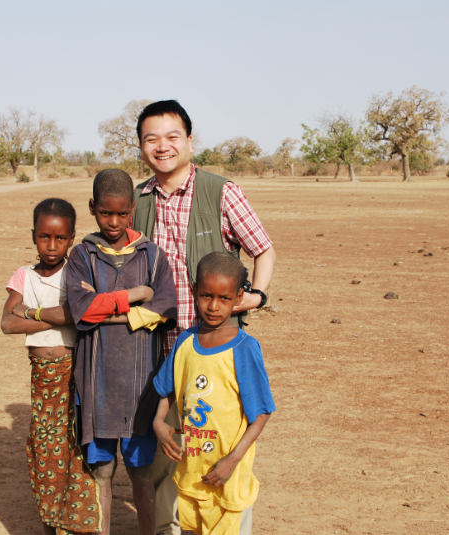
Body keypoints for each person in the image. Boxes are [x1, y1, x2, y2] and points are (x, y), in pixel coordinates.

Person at [132, 100, 276, 535]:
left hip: (212, 348)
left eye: (172, 136)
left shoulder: (221, 192)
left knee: (216, 442)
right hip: (159, 347)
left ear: (190, 141)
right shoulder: (137, 201)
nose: (163, 146)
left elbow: (262, 249)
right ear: (141, 147)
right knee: (166, 454)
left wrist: (257, 295)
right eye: (151, 139)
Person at [66, 169, 178, 535]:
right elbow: (81, 310)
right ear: (92, 209)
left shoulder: (152, 255)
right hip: (96, 385)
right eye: (104, 213)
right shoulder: (81, 255)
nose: (113, 222)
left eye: (121, 213)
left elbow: (166, 307)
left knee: (141, 472)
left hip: (140, 387)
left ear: (132, 209)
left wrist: (112, 313)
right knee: (102, 472)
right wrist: (136, 299)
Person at [152, 252, 276, 535]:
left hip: (229, 476)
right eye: (206, 295)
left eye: (224, 298)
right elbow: (167, 388)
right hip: (192, 471)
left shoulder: (244, 348)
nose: (213, 306)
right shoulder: (185, 341)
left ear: (239, 298)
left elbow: (261, 414)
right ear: (194, 290)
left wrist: (232, 460)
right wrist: (159, 423)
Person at [0, 198, 101, 535]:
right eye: (45, 237)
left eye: (60, 238)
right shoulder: (24, 275)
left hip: (73, 375)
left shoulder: (76, 272)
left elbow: (77, 313)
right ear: (33, 236)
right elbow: (6, 324)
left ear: (72, 238)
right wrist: (56, 318)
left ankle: (77, 524)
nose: (52, 245)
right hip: (41, 381)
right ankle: (50, 522)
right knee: (44, 451)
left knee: (75, 450)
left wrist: (30, 313)